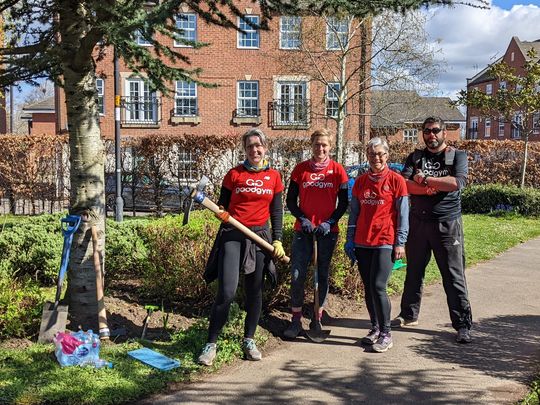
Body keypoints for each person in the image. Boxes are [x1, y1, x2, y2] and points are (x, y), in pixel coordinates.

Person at [198, 128, 286, 366]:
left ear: (265, 148)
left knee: (255, 292)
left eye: (258, 146)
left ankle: (249, 339)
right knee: (226, 292)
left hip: (259, 238)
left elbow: (276, 211)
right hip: (233, 235)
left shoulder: (274, 177)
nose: (254, 150)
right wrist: (222, 214)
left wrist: (276, 239)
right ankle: (211, 343)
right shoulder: (233, 174)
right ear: (244, 150)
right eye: (249, 146)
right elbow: (221, 206)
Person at [392, 116, 473, 344]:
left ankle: (462, 325)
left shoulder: (457, 156)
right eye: (427, 131)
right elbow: (403, 184)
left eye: (436, 130)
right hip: (418, 223)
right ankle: (408, 315)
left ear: (444, 132)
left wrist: (425, 179)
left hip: (447, 225)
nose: (431, 135)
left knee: (453, 276)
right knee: (414, 273)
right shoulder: (415, 157)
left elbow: (456, 183)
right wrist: (424, 188)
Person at [344, 137, 409, 352]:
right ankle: (374, 328)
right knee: (368, 288)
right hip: (363, 241)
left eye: (380, 154)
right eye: (372, 154)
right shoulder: (361, 182)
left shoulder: (396, 180)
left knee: (379, 287)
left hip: (385, 241)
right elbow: (354, 213)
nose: (376, 158)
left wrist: (400, 242)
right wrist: (350, 239)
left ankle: (386, 333)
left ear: (387, 155)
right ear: (367, 156)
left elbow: (403, 214)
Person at [283, 128, 348, 339]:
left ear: (330, 147)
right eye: (317, 144)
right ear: (311, 146)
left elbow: (344, 203)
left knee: (321, 275)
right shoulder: (300, 170)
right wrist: (302, 219)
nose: (320, 148)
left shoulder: (338, 171)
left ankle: (317, 318)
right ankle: (295, 320)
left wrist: (330, 222)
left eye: (324, 145)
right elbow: (290, 200)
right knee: (297, 275)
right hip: (304, 232)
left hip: (327, 233)